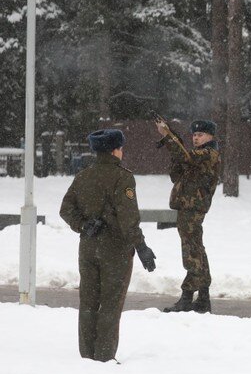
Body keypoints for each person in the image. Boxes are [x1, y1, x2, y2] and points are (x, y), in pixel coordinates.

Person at [59, 129, 156, 361]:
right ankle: (103, 357)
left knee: (89, 303)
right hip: (116, 250)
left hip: (88, 247)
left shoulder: (83, 176)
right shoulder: (123, 177)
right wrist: (141, 246)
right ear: (115, 150)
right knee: (111, 304)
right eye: (121, 148)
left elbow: (65, 209)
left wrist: (83, 225)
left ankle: (87, 355)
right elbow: (128, 218)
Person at [154, 118, 221, 313]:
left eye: (200, 135)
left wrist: (168, 136)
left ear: (210, 136)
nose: (196, 138)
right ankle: (203, 297)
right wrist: (172, 138)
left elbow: (186, 157)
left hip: (194, 207)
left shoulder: (209, 153)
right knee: (197, 250)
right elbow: (177, 173)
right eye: (194, 135)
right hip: (187, 207)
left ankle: (187, 296)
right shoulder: (196, 154)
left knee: (191, 251)